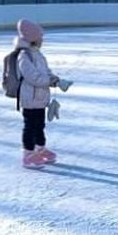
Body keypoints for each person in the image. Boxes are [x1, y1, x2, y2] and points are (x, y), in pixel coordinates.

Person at [14, 19, 73, 169]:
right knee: (30, 126)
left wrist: (56, 80)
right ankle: (27, 154)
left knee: (40, 125)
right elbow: (32, 77)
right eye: (40, 37)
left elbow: (46, 72)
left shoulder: (38, 54)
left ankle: (40, 149)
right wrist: (49, 82)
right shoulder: (24, 56)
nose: (42, 40)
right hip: (29, 98)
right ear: (32, 38)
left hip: (40, 98)